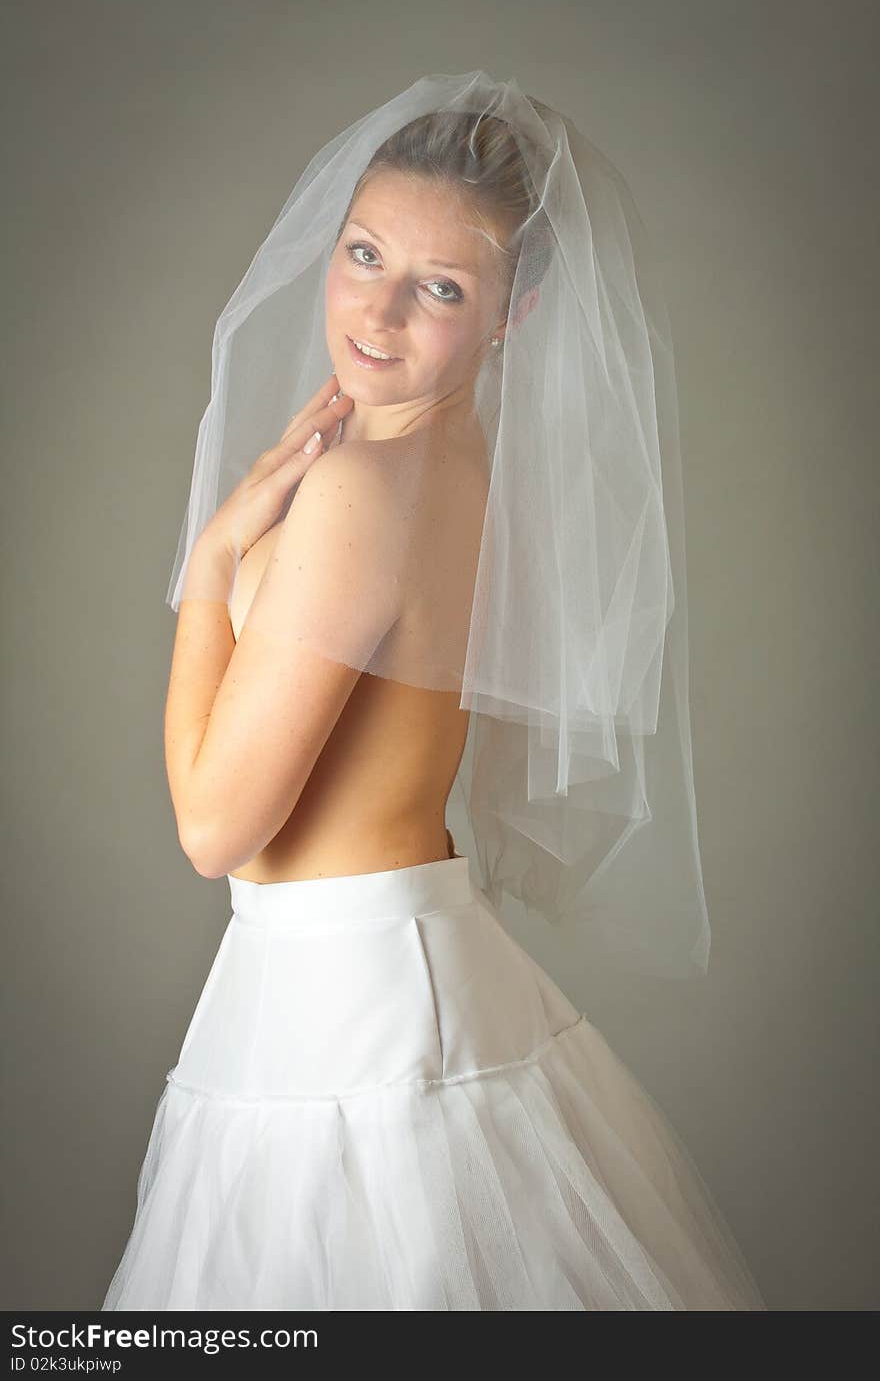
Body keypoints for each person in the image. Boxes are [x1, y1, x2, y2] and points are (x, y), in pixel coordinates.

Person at [102, 72, 766, 1310]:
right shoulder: (466, 468)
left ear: (512, 315)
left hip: (342, 1013)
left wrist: (208, 568)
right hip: (403, 976)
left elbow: (213, 828)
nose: (379, 308)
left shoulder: (357, 489)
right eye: (363, 253)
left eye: (443, 287)